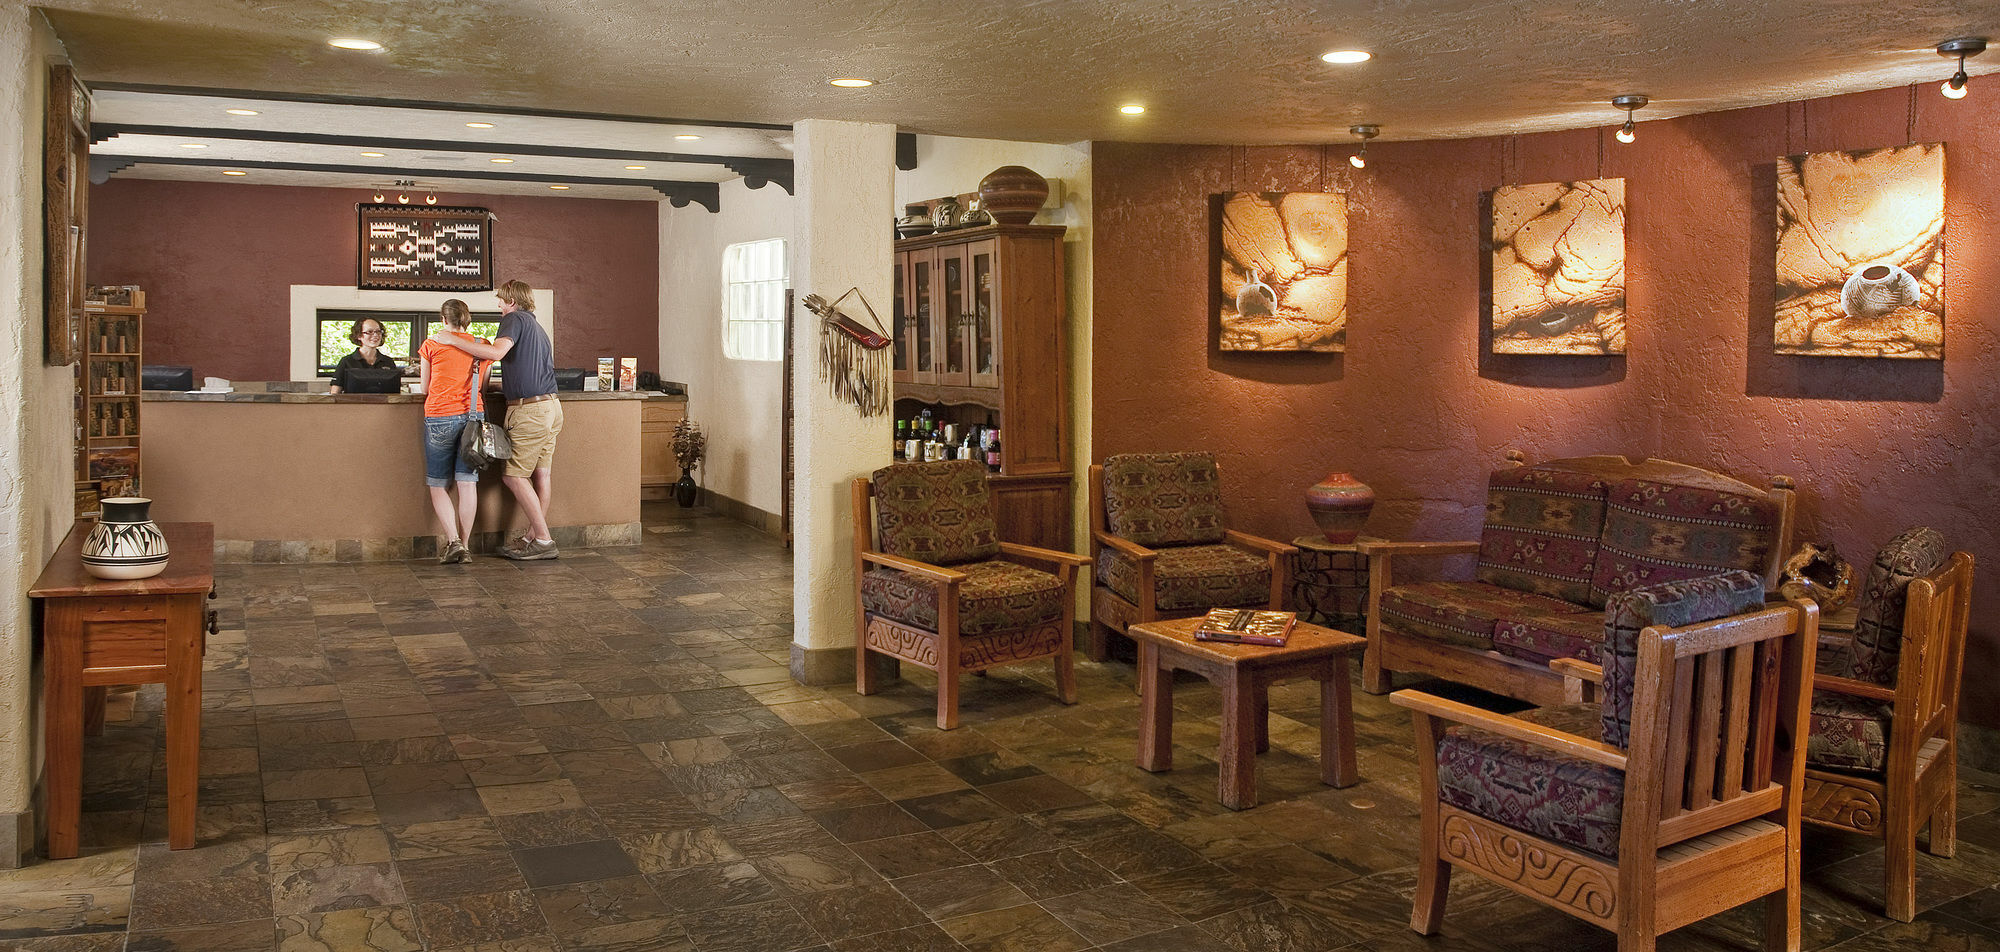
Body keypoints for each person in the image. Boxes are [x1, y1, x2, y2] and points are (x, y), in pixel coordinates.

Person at [428, 280, 561, 560]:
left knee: (514, 477)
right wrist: (505, 386)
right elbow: (526, 369)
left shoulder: (513, 318)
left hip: (529, 412)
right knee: (542, 475)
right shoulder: (537, 327)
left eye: (501, 300)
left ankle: (544, 540)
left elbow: (498, 353)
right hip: (551, 407)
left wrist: (450, 339)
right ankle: (531, 538)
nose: (499, 305)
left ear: (512, 300)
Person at [417, 300, 493, 565]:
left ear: (442, 319)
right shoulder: (482, 346)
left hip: (439, 415)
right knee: (467, 482)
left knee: (438, 484)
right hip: (474, 416)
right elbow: (482, 386)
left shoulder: (431, 345)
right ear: (467, 319)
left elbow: (425, 387)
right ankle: (466, 545)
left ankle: (453, 542)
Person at [328, 317, 401, 394]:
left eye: (378, 331)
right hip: (353, 405)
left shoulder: (388, 362)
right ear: (358, 335)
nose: (376, 335)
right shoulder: (346, 361)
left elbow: (394, 395)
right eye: (369, 332)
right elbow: (334, 394)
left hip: (382, 405)